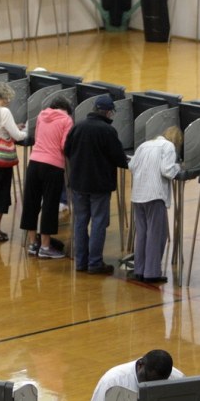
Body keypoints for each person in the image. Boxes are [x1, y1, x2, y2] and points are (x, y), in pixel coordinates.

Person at [64, 95, 128, 274]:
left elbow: (67, 150)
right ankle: (95, 263)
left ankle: (80, 262)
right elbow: (119, 159)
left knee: (80, 222)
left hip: (78, 183)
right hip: (100, 185)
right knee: (99, 222)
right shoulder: (108, 131)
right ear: (108, 112)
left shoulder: (78, 127)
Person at [127, 126, 182, 283]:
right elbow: (167, 170)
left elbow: (131, 166)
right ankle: (151, 273)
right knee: (156, 234)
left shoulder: (144, 145)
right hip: (155, 195)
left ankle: (139, 269)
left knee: (142, 234)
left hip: (138, 194)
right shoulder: (169, 147)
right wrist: (178, 167)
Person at [21, 96, 74, 259]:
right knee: (50, 205)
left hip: (34, 162)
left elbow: (37, 138)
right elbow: (65, 146)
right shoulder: (67, 120)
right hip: (53, 166)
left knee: (31, 204)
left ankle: (32, 244)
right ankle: (45, 246)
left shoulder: (41, 115)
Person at [0, 82, 27, 242]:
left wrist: (13, 127)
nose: (8, 101)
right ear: (1, 98)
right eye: (7, 98)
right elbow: (17, 136)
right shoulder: (4, 111)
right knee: (1, 196)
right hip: (1, 156)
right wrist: (26, 130)